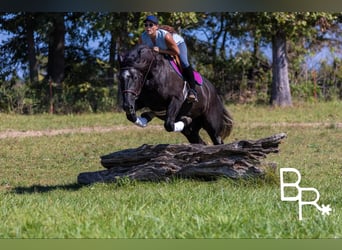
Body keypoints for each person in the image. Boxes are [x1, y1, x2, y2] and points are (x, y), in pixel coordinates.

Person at [138, 15, 198, 102]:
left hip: (177, 45)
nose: (148, 27)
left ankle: (193, 91)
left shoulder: (166, 36)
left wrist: (161, 51)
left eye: (151, 25)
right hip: (161, 49)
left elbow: (176, 52)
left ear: (156, 27)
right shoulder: (142, 38)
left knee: (184, 62)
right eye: (146, 25)